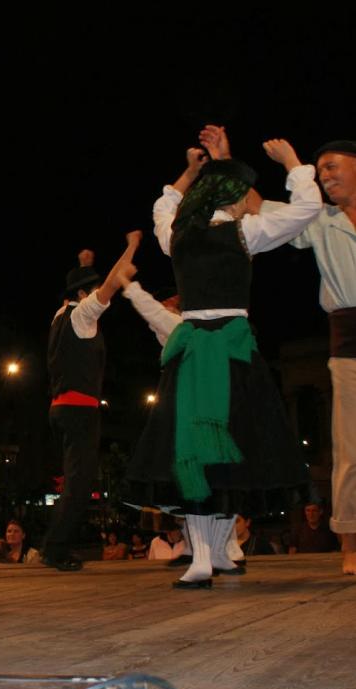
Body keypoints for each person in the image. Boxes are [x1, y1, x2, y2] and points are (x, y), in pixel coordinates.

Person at [128, 130, 321, 589]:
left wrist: (190, 171)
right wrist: (293, 161)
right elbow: (307, 208)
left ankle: (211, 554)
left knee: (198, 451)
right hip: (227, 350)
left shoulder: (177, 233)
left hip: (201, 347)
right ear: (230, 196)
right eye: (243, 194)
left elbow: (163, 204)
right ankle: (207, 554)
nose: (250, 203)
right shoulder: (245, 231)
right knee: (221, 450)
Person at [271, 140, 356, 574]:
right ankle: (350, 544)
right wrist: (231, 163)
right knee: (349, 446)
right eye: (319, 171)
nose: (325, 176)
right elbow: (263, 210)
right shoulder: (320, 221)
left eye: (331, 167)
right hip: (348, 340)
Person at [44, 232, 141, 571]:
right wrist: (132, 245)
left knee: (76, 480)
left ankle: (54, 545)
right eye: (91, 292)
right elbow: (112, 283)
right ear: (83, 296)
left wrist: (85, 266)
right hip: (79, 409)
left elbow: (84, 287)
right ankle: (55, 549)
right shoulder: (83, 317)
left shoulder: (60, 315)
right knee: (80, 483)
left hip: (61, 407)